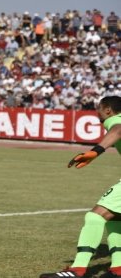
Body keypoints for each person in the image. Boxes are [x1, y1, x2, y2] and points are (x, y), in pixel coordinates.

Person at [40, 95, 121, 278]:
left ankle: (77, 270)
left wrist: (94, 152)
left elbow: (118, 129)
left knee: (95, 216)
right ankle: (118, 269)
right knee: (115, 218)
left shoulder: (114, 120)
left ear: (108, 109)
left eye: (99, 108)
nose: (97, 112)